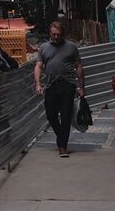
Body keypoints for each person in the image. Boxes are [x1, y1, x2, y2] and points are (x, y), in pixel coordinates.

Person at [34, 21, 84, 158]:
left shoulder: (71, 47)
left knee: (66, 115)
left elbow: (78, 66)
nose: (56, 37)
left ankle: (62, 146)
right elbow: (38, 66)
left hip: (68, 85)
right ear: (50, 33)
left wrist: (80, 86)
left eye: (58, 34)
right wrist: (38, 84)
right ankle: (61, 137)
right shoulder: (43, 48)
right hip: (51, 86)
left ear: (63, 33)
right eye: (53, 34)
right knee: (51, 115)